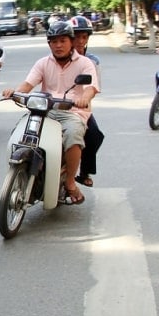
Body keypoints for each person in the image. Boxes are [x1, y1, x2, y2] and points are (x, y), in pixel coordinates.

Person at [2, 21, 99, 205]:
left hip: (72, 112)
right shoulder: (43, 63)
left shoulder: (85, 63)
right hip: (45, 109)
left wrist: (84, 98)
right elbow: (28, 84)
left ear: (71, 42)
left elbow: (91, 88)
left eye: (63, 40)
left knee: (73, 135)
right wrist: (15, 92)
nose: (58, 45)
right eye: (54, 41)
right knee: (20, 132)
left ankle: (70, 182)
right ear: (49, 44)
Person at [69, 15, 104, 188]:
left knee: (95, 135)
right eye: (76, 36)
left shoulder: (93, 61)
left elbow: (93, 87)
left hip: (79, 108)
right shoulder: (57, 57)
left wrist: (84, 101)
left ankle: (84, 172)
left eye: (84, 37)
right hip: (56, 105)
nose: (80, 41)